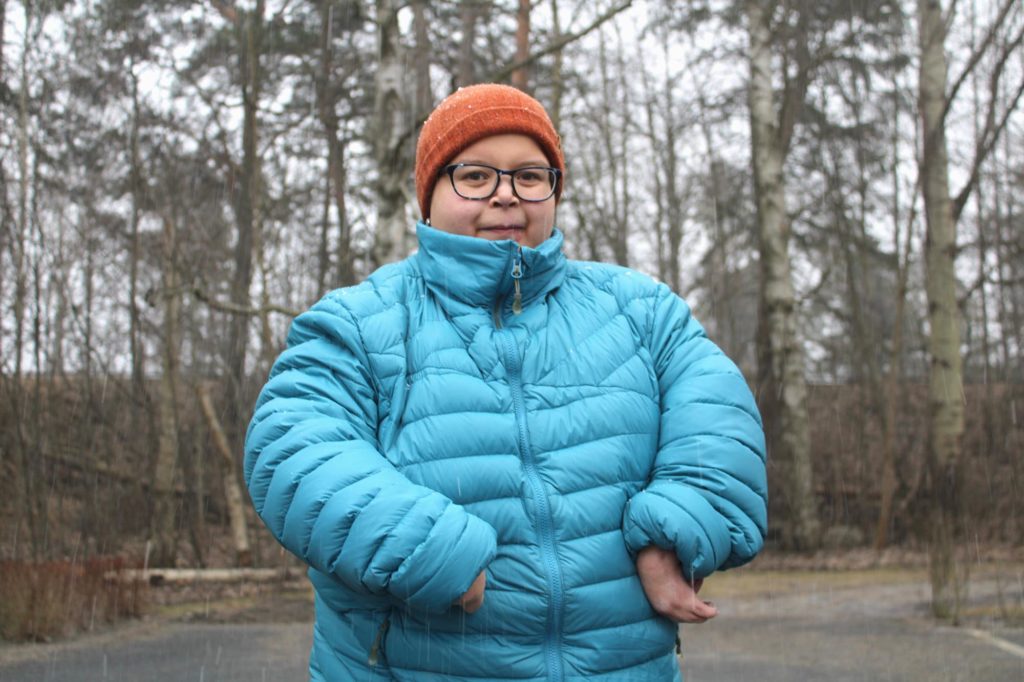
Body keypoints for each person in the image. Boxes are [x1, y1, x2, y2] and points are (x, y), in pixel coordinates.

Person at [244, 83, 767, 681]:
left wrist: (675, 529)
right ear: (431, 192)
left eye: (529, 175)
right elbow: (291, 447)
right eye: (474, 176)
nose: (505, 196)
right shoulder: (362, 323)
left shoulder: (640, 310)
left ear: (553, 190)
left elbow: (720, 421)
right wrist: (428, 547)